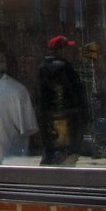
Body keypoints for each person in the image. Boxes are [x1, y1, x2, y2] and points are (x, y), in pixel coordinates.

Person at [37, 35, 87, 166]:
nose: (71, 52)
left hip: (49, 120)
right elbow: (74, 92)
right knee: (67, 156)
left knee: (52, 153)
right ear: (61, 50)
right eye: (67, 48)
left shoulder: (42, 67)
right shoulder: (64, 67)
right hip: (67, 119)